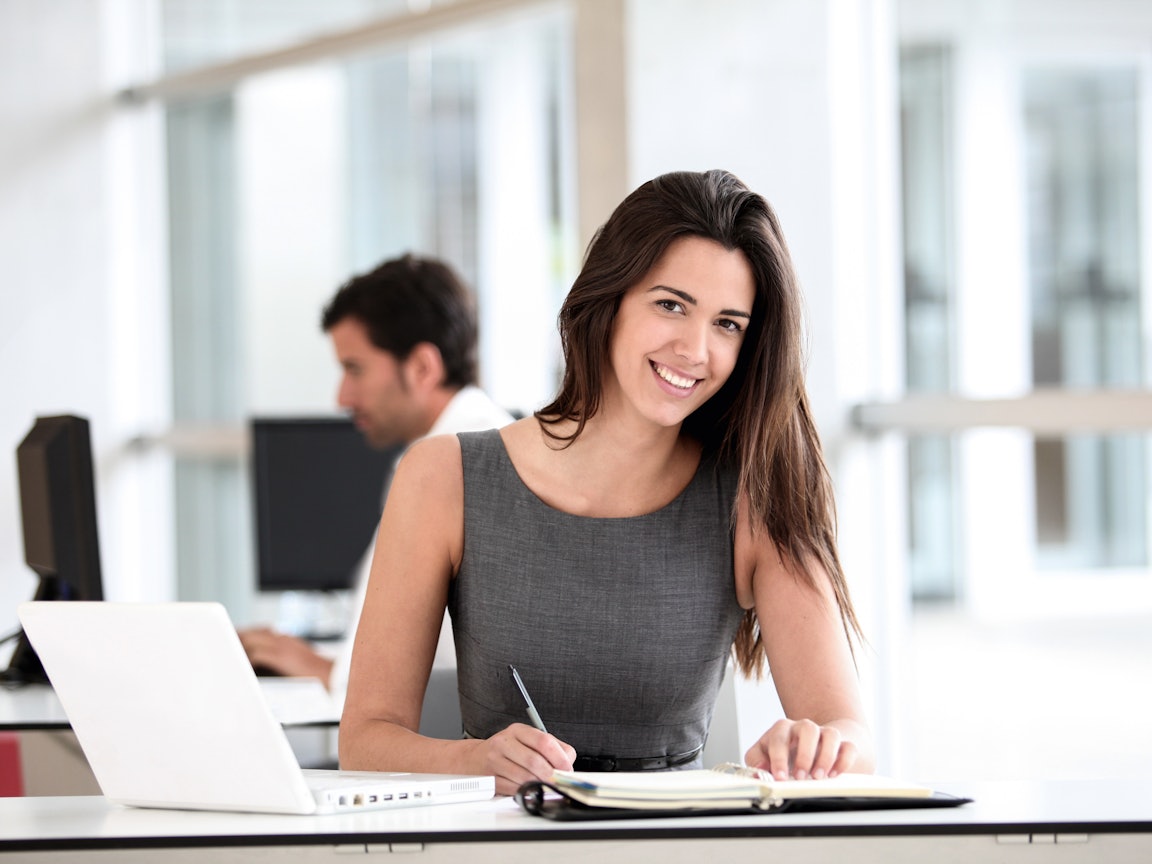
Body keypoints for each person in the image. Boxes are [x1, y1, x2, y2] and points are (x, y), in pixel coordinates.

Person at [339, 170, 875, 796]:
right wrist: (477, 764)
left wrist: (819, 745)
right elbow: (365, 740)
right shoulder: (443, 478)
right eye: (670, 305)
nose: (695, 349)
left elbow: (852, 738)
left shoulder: (754, 497)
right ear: (610, 298)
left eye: (727, 323)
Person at [238, 254, 514, 699]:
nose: (342, 397)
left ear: (422, 367)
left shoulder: (456, 464)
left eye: (354, 369)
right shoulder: (467, 445)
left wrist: (309, 663)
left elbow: (386, 682)